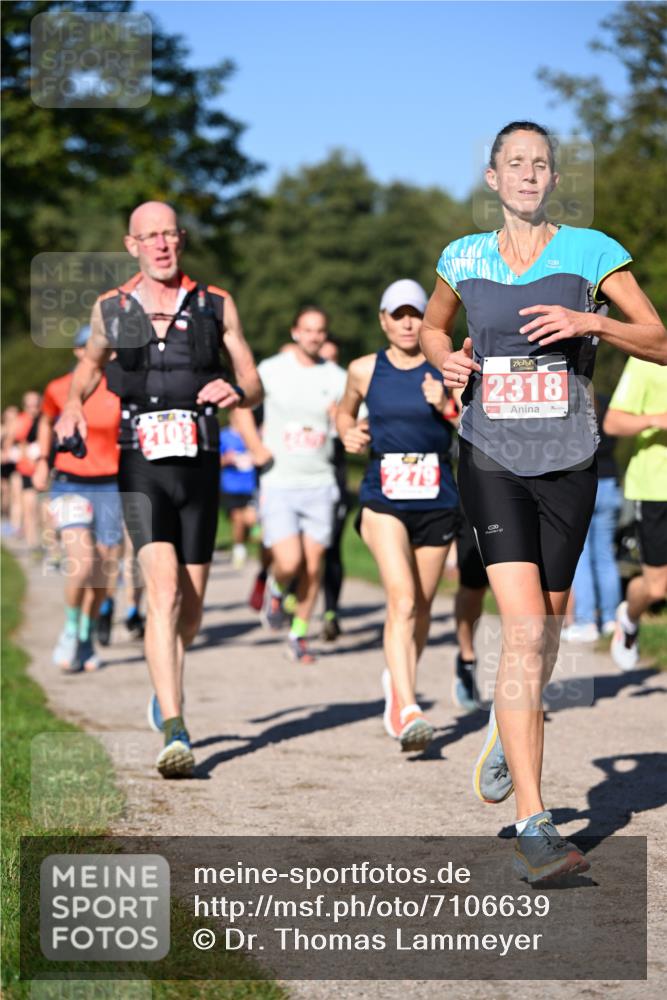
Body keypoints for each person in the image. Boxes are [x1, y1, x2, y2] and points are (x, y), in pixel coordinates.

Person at [419, 120, 666, 882]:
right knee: (524, 630)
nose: (528, 174)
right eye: (513, 164)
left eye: (540, 165)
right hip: (490, 456)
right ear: (491, 179)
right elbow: (432, 327)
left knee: (546, 631)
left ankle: (506, 723)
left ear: (552, 179)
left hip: (569, 460)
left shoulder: (592, 252)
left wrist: (589, 319)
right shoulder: (462, 257)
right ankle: (535, 823)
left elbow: (658, 336)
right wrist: (447, 359)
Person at [55, 200, 263, 778]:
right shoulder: (112, 308)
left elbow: (252, 380)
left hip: (199, 463)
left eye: (169, 234)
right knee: (163, 593)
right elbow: (90, 367)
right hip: (139, 463)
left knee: (189, 612)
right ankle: (175, 726)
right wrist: (73, 404)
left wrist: (237, 391)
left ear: (182, 239)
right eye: (150, 236)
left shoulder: (215, 304)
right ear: (132, 245)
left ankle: (163, 683)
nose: (161, 244)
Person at [337, 279, 461, 752]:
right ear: (383, 320)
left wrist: (446, 405)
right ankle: (406, 706)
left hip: (437, 498)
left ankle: (398, 680)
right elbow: (344, 413)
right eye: (399, 314)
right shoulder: (364, 369)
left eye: (416, 313)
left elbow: (478, 421)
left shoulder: (447, 365)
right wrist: (348, 432)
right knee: (403, 599)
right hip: (383, 496)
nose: (408, 322)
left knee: (423, 608)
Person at [257, 307, 347, 662]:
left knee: (314, 564)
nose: (314, 336)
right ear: (295, 332)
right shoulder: (271, 370)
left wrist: (339, 418)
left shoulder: (338, 377)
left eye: (320, 331)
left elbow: (355, 424)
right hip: (279, 480)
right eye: (307, 330)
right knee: (290, 561)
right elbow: (239, 408)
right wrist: (254, 446)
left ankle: (298, 634)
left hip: (320, 481)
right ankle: (276, 588)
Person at [33, 325, 124, 672]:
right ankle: (71, 629)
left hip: (113, 485)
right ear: (77, 352)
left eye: (106, 348)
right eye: (93, 347)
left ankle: (87, 632)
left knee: (102, 572)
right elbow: (45, 421)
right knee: (82, 563)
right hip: (70, 483)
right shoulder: (59, 389)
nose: (102, 353)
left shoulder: (120, 388)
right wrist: (43, 460)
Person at [604, 358, 667, 669]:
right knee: (657, 587)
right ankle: (628, 618)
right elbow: (612, 422)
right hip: (656, 486)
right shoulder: (648, 358)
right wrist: (657, 419)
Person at [561, 394, 622, 643]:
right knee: (605, 555)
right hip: (610, 483)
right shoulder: (609, 403)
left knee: (581, 556)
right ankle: (611, 619)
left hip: (582, 484)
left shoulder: (568, 403)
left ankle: (586, 621)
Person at [319, 335, 352, 641]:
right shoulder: (300, 389)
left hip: (335, 479)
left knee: (332, 550)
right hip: (299, 483)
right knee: (303, 553)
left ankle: (331, 612)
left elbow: (361, 432)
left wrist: (341, 421)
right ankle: (290, 593)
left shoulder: (345, 387)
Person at [219, 408, 258, 570]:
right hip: (230, 486)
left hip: (250, 486)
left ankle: (243, 543)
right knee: (238, 519)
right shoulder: (224, 436)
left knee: (251, 520)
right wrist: (226, 459)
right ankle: (239, 549)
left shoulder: (253, 435)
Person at [13, 391, 42, 555]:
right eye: (30, 405)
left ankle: (50, 546)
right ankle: (33, 545)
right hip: (27, 471)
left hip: (44, 472)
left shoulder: (45, 419)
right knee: (30, 508)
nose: (33, 409)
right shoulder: (22, 421)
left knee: (45, 511)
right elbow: (19, 442)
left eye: (36, 405)